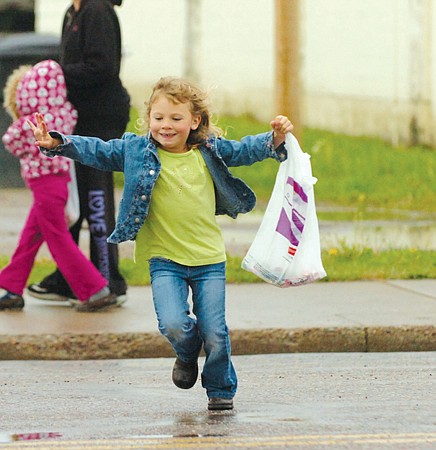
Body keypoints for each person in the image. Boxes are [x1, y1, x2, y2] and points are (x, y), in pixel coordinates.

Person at [27, 76, 294, 410]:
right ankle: (186, 353)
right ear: (148, 118)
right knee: (173, 324)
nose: (166, 126)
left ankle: (220, 390)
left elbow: (244, 150)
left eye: (176, 119)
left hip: (208, 259)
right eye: (159, 118)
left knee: (215, 332)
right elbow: (99, 150)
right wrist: (57, 143)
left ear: (194, 121)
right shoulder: (137, 152)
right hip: (164, 259)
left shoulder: (208, 151)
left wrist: (275, 138)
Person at [27, 0, 130, 305]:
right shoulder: (73, 11)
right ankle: (69, 278)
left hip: (99, 121)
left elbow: (102, 66)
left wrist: (54, 74)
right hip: (75, 118)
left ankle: (108, 280)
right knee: (72, 201)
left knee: (96, 200)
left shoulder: (97, 9)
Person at [0, 60, 117, 312]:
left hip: (44, 186)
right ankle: (11, 288)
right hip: (59, 183)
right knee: (29, 238)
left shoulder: (31, 122)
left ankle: (95, 289)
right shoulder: (64, 114)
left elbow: (10, 140)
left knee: (58, 240)